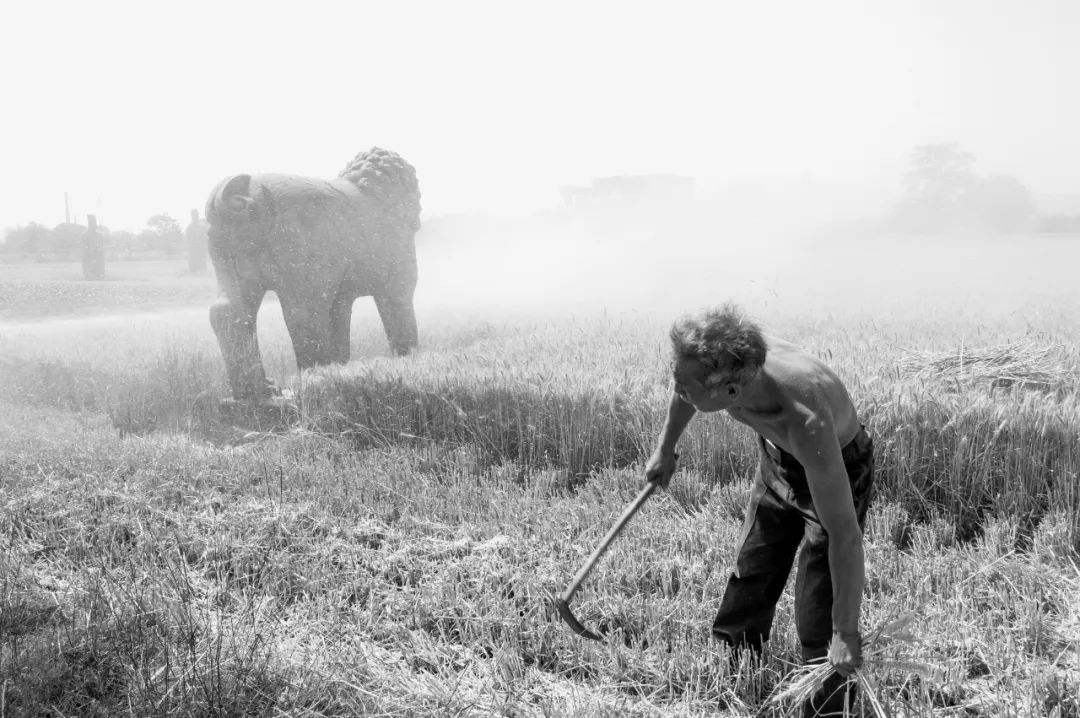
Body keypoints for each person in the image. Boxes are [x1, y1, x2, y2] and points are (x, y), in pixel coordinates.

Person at [645, 303, 874, 717]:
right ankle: (734, 672)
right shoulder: (725, 362)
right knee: (752, 568)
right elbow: (688, 388)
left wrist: (847, 631)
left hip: (832, 462)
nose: (677, 389)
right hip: (776, 459)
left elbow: (845, 535)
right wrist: (666, 448)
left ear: (731, 393)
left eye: (687, 386)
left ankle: (827, 705)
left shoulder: (804, 421)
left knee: (818, 607)